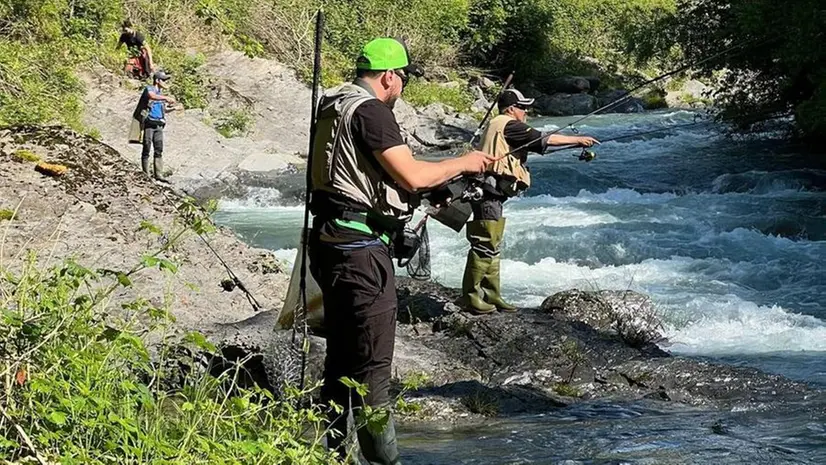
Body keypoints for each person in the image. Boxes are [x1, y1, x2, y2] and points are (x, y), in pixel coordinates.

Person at [307, 38, 493, 464]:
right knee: (372, 367)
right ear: (389, 76)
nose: (403, 85)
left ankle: (335, 455)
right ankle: (385, 460)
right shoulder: (373, 112)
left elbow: (361, 177)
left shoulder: (333, 105)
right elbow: (411, 176)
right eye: (403, 77)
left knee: (341, 360)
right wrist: (464, 163)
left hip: (330, 243)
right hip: (360, 251)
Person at [460, 88, 599, 315]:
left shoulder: (501, 125)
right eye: (523, 107)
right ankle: (472, 298)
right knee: (485, 243)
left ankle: (492, 295)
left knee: (492, 244)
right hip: (488, 192)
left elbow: (538, 146)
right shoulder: (509, 124)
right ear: (511, 108)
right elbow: (541, 138)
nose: (526, 112)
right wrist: (578, 139)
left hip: (488, 191)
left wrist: (575, 146)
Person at [140, 71, 176, 181]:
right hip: (149, 124)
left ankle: (158, 174)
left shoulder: (160, 94)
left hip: (159, 125)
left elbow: (163, 109)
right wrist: (166, 98)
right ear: (157, 81)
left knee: (159, 149)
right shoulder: (150, 89)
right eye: (163, 80)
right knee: (146, 147)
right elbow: (152, 96)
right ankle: (146, 174)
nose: (165, 82)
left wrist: (173, 109)